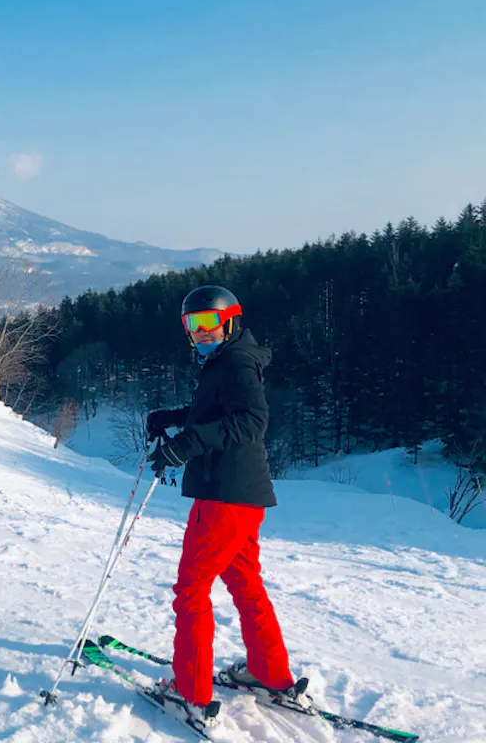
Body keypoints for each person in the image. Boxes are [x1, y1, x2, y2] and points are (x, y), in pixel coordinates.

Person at [145, 285, 308, 727]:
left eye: (208, 324)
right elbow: (218, 411)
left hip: (223, 496)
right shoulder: (230, 359)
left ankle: (190, 691)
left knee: (191, 590)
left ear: (230, 321)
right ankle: (268, 672)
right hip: (244, 496)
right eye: (191, 326)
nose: (200, 334)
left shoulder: (235, 362)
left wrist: (187, 444)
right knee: (246, 585)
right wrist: (175, 418)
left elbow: (251, 420)